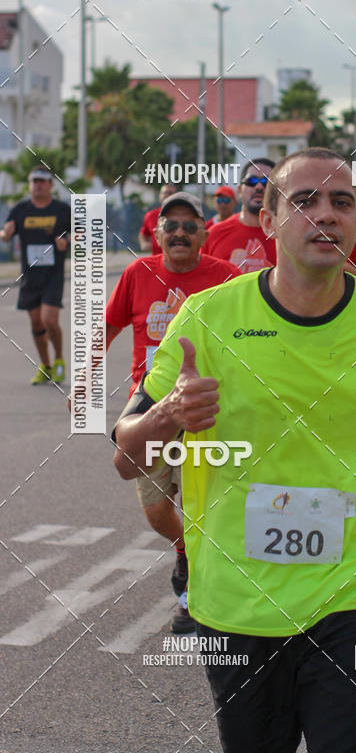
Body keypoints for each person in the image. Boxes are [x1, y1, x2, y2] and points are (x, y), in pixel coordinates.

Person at [112, 147, 356, 753]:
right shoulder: (208, 318)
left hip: (353, 597)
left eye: (341, 202)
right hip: (236, 599)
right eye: (304, 200)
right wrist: (166, 417)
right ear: (266, 221)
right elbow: (128, 456)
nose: (326, 214)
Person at [106, 192, 240, 633]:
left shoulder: (227, 278)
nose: (180, 232)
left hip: (210, 409)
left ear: (205, 233)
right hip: (151, 410)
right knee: (155, 505)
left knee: (212, 505)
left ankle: (198, 593)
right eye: (171, 225)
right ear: (157, 234)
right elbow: (106, 326)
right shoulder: (137, 273)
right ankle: (186, 548)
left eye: (189, 225)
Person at [0, 168, 70, 385]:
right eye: (34, 181)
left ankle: (59, 359)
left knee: (50, 320)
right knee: (36, 322)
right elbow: (4, 234)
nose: (38, 185)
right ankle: (46, 366)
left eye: (42, 181)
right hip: (30, 276)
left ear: (50, 185)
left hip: (53, 275)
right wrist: (6, 234)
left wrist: (66, 241)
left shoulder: (61, 210)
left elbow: (78, 232)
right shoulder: (20, 210)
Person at [203, 158, 276, 273]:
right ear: (240, 190)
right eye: (251, 181)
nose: (258, 187)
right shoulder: (214, 234)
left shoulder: (287, 236)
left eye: (266, 182)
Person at [139, 183, 177, 254]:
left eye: (171, 193)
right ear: (160, 195)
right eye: (165, 193)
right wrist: (144, 243)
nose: (167, 195)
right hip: (157, 261)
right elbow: (143, 233)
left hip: (179, 261)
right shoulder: (150, 215)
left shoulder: (184, 215)